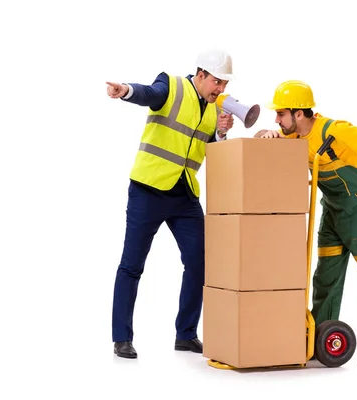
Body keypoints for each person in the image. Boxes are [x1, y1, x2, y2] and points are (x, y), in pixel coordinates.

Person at [105, 49, 235, 359]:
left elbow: (208, 152)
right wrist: (126, 91)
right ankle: (122, 337)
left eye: (225, 84)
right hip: (148, 189)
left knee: (199, 262)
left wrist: (220, 132)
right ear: (201, 75)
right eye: (217, 81)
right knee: (132, 265)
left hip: (184, 195)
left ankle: (186, 334)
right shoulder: (173, 86)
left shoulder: (212, 110)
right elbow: (150, 93)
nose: (221, 89)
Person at [255, 81, 357, 364]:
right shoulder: (291, 135)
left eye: (280, 114)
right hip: (332, 211)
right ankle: (319, 338)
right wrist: (268, 133)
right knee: (325, 276)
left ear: (299, 114)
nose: (277, 120)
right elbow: (261, 139)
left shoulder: (334, 130)